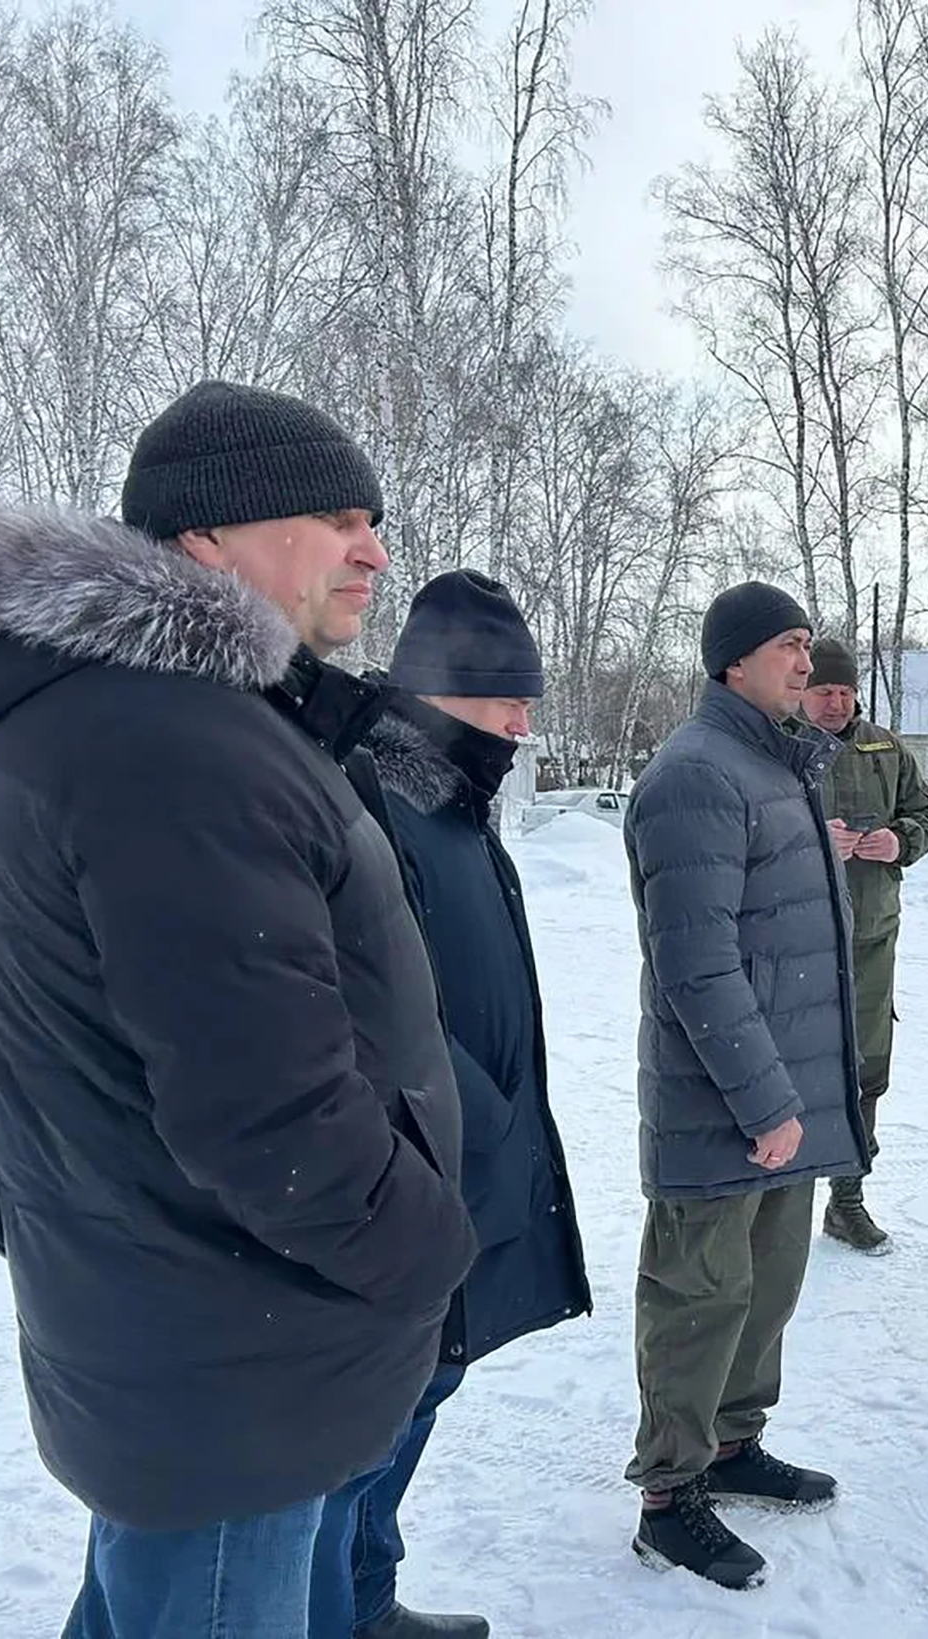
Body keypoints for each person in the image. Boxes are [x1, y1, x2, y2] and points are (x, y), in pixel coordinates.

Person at [0, 380, 480, 1639]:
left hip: (184, 1328)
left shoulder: (126, 713)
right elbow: (265, 1116)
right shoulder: (172, 743)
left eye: (374, 520)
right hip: (237, 1353)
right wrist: (426, 1255)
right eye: (336, 518)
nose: (373, 551)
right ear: (207, 539)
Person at [315, 571, 595, 1639]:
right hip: (413, 1177)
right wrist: (473, 1131)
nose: (523, 723)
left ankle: (362, 1596)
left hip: (467, 1165)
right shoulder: (377, 803)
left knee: (423, 1391)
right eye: (506, 698)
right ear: (441, 688)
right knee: (367, 1420)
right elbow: (380, 1013)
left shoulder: (454, 804)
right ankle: (331, 1611)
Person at [623, 582, 869, 1589]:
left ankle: (731, 1443)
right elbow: (697, 961)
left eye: (808, 644)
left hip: (781, 1095)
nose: (806, 662)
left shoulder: (774, 763)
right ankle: (669, 1493)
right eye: (786, 645)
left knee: (765, 1289)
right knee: (699, 1297)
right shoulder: (694, 774)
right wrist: (765, 1100)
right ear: (732, 660)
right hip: (720, 1101)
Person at [797, 635, 928, 1254]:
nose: (835, 703)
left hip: (871, 935)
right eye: (823, 691)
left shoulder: (885, 748)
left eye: (845, 691)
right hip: (797, 940)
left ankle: (847, 1199)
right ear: (802, 692)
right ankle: (776, 1205)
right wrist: (812, 839)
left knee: (865, 1070)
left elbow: (927, 813)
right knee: (791, 1069)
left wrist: (899, 840)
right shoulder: (781, 746)